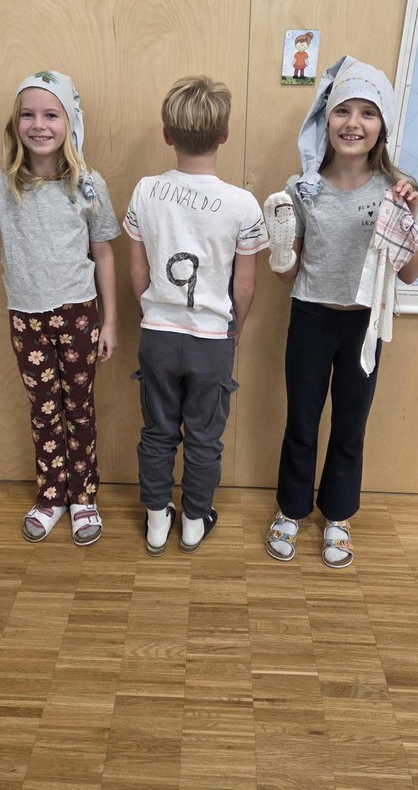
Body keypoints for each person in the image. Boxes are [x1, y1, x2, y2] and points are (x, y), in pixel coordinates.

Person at [0, 71, 120, 545]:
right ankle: (52, 494)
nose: (39, 125)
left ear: (69, 122)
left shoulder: (88, 184)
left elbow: (104, 254)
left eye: (51, 114)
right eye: (28, 115)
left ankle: (83, 496)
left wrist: (111, 323)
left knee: (79, 408)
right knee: (43, 411)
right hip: (26, 318)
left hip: (79, 315)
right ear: (14, 123)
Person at [263, 56, 418, 569]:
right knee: (302, 420)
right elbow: (287, 272)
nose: (353, 123)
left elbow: (411, 273)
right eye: (342, 111)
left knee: (351, 424)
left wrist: (409, 217)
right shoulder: (302, 188)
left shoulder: (397, 189)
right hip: (310, 317)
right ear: (325, 118)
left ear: (382, 125)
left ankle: (338, 516)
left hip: (363, 324)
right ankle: (291, 510)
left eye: (367, 113)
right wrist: (280, 247)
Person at [124, 75, 268, 556]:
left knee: (157, 431)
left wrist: (150, 311)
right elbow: (244, 285)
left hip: (157, 336)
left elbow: (137, 272)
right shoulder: (242, 204)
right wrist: (233, 331)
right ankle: (193, 520)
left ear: (167, 135)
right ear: (224, 135)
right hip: (211, 340)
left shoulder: (145, 191)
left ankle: (156, 521)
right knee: (204, 436)